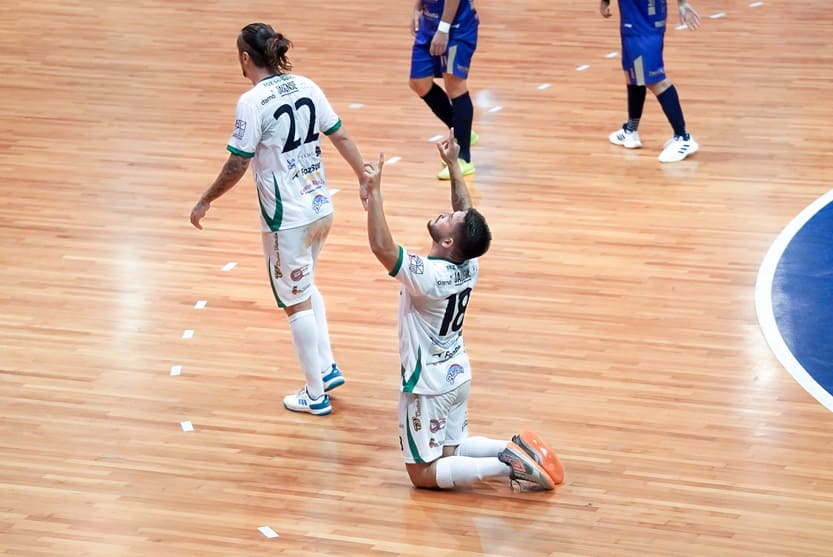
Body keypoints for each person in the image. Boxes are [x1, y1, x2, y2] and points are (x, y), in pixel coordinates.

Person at [362, 129, 566, 491]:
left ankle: (508, 465)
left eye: (447, 220)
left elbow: (382, 247)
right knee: (451, 448)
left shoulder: (427, 277)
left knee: (422, 473)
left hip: (428, 385)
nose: (445, 214)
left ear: (448, 241)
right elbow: (467, 214)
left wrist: (375, 195)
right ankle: (510, 448)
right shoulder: (469, 264)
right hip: (458, 374)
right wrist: (454, 166)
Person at [190, 22, 368, 416]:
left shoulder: (252, 102)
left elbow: (238, 162)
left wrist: (205, 200)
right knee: (306, 287)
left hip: (287, 219)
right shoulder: (307, 85)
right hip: (321, 207)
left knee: (294, 303)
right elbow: (340, 135)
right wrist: (363, 177)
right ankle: (326, 366)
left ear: (244, 58)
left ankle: (315, 393)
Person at [602, 0, 702, 162]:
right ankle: (631, 130)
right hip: (633, 21)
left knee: (656, 81)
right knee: (634, 74)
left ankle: (683, 138)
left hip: (644, 23)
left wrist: (682, 3)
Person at [409, 0, 480, 180]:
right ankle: (462, 131)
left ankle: (463, 158)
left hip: (456, 27)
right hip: (430, 22)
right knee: (418, 82)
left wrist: (443, 29)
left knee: (454, 85)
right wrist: (417, 8)